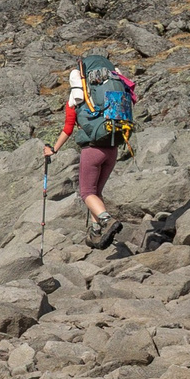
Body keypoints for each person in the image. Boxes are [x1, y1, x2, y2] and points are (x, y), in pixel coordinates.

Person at [46, 53, 135, 250]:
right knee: (96, 192)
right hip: (112, 148)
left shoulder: (78, 99)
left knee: (86, 192)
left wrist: (53, 149)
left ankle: (106, 220)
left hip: (93, 149)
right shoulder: (110, 95)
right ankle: (96, 233)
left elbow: (68, 128)